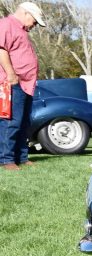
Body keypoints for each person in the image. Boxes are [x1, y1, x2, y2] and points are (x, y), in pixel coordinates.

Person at [0, 2, 45, 171]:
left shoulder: (21, 30)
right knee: (11, 121)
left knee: (24, 122)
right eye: (35, 20)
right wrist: (11, 73)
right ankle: (6, 159)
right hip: (13, 82)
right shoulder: (6, 24)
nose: (35, 25)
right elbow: (1, 49)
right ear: (26, 13)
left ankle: (21, 156)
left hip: (26, 84)